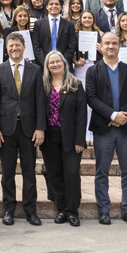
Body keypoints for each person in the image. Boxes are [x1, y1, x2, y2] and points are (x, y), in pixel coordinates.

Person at [86, 32, 127, 226]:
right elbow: (92, 98)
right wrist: (112, 115)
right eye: (107, 43)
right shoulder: (92, 71)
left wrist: (122, 116)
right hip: (103, 129)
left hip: (126, 129)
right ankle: (104, 210)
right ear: (100, 47)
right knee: (101, 171)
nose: (111, 46)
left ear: (119, 46)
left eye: (114, 43)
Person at [0, 33, 46, 226]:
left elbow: (40, 100)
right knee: (8, 172)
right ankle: (9, 209)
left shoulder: (35, 70)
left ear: (23, 47)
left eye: (17, 45)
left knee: (29, 171)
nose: (14, 48)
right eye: (11, 46)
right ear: (6, 49)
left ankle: (31, 210)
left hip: (29, 128)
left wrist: (40, 128)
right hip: (6, 129)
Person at [39, 50, 87, 226]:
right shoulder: (43, 85)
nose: (55, 65)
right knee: (54, 174)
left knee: (72, 173)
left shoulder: (75, 84)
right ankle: (61, 209)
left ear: (64, 64)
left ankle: (72, 211)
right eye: (51, 62)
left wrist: (80, 140)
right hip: (50, 136)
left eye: (58, 61)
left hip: (71, 137)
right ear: (47, 66)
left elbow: (82, 115)